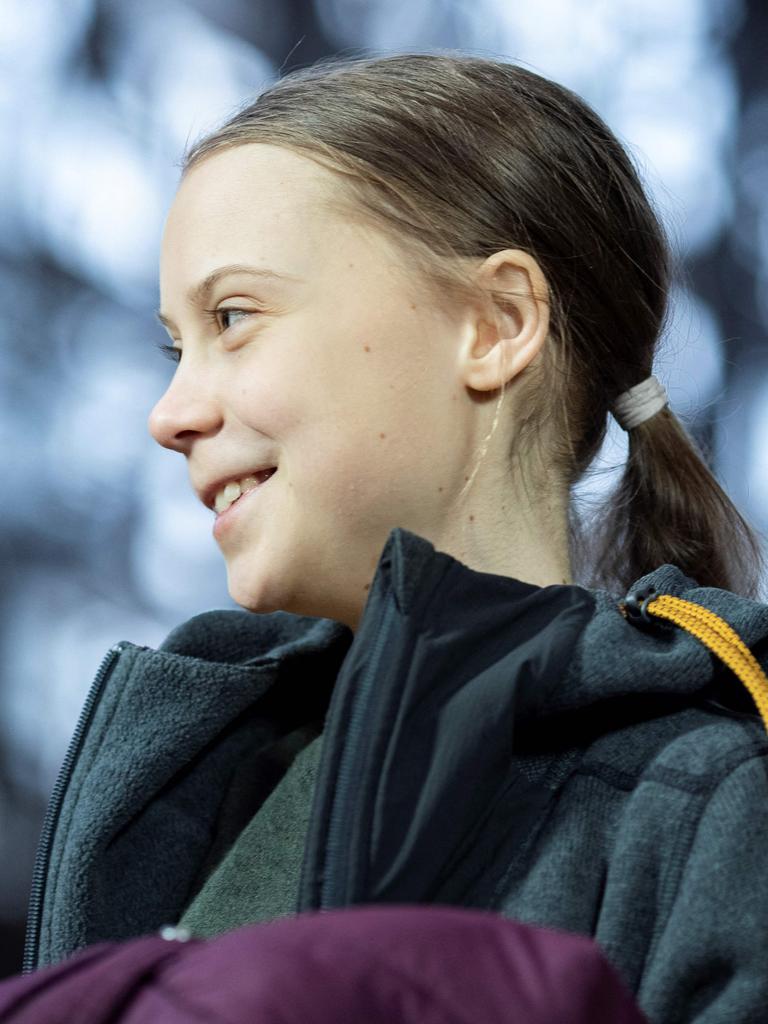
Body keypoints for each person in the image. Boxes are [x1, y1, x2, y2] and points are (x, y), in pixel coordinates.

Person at [17, 51, 768, 1023]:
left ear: (497, 322)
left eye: (234, 317)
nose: (170, 413)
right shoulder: (182, 781)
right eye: (175, 346)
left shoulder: (705, 808)